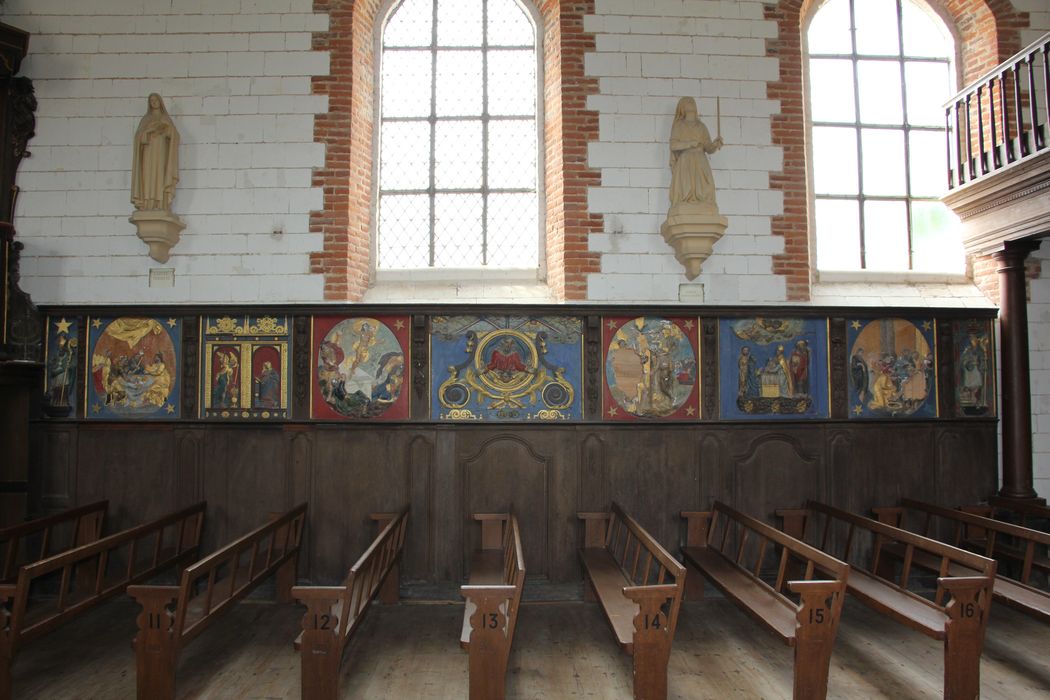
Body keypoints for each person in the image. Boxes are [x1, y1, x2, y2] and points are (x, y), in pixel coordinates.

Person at [668, 96, 723, 208]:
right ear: (682, 107)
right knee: (685, 189)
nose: (691, 102)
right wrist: (689, 144)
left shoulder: (701, 127)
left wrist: (715, 145)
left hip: (700, 161)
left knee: (706, 190)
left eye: (692, 101)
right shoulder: (679, 126)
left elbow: (708, 147)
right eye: (688, 102)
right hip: (685, 161)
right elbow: (673, 145)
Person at [131, 93, 180, 211]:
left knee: (160, 174)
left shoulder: (165, 119)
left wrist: (167, 128)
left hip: (161, 149)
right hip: (148, 151)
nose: (154, 102)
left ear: (160, 101)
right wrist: (148, 131)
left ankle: (160, 203)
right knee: (148, 175)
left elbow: (174, 136)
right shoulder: (146, 119)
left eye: (156, 100)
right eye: (151, 100)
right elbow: (138, 137)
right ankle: (147, 203)